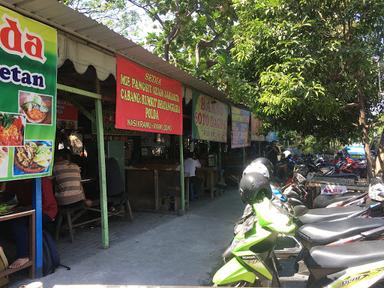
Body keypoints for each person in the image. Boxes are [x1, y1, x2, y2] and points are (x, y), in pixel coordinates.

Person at [0, 178, 57, 269]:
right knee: (4, 223)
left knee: (18, 222)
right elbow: (7, 195)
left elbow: (45, 204)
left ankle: (23, 256)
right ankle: (4, 256)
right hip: (25, 210)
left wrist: (23, 209)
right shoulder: (15, 180)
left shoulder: (43, 180)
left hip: (46, 211)